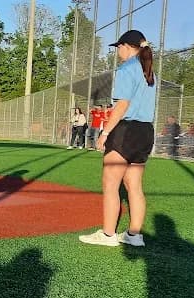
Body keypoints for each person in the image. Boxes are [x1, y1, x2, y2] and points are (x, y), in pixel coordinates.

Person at [80, 30, 157, 247]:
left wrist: (105, 133)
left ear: (127, 46)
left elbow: (122, 105)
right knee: (134, 185)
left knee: (110, 183)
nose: (118, 52)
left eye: (119, 47)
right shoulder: (150, 72)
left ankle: (107, 235)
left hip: (126, 130)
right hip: (145, 132)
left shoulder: (126, 69)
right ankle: (134, 235)